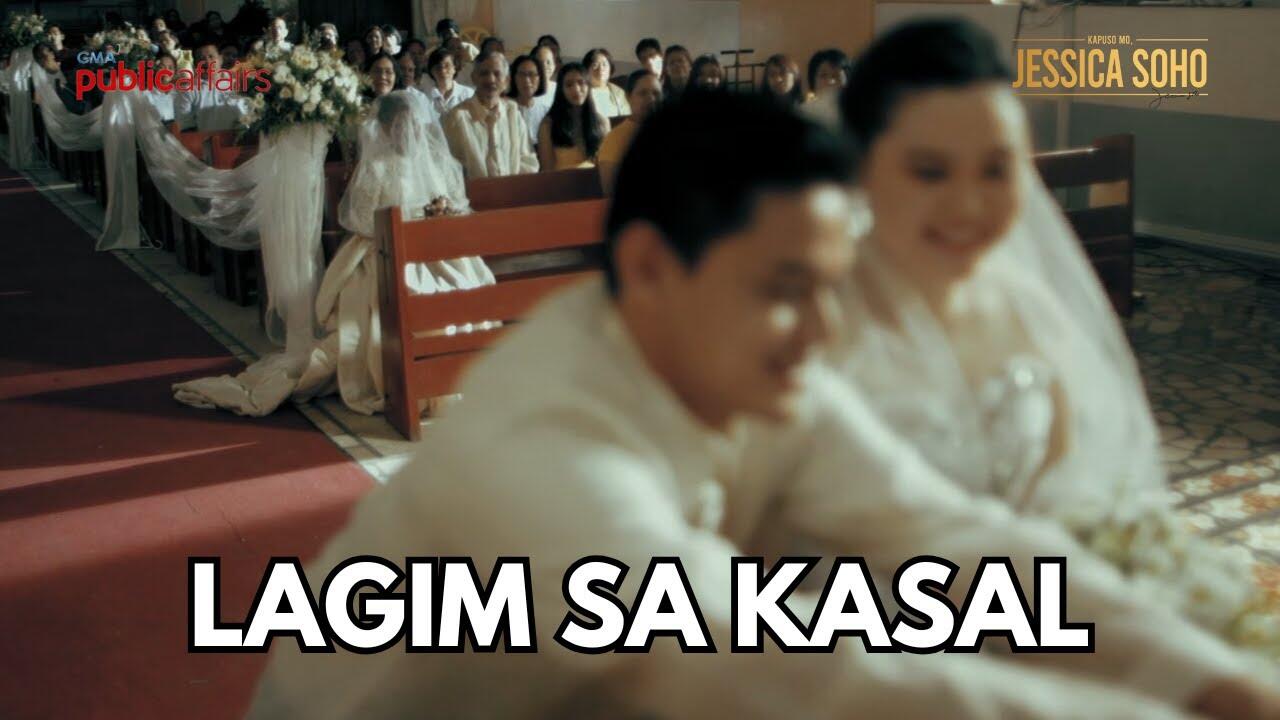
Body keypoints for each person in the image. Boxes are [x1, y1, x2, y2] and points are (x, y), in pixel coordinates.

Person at [245, 90, 1274, 720]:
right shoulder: (542, 440)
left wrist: (1201, 677)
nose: (824, 332)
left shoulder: (758, 368)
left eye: (832, 286)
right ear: (651, 267)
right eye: (786, 289)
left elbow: (952, 537)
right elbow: (766, 666)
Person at [174, 91, 490, 417]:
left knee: (469, 286)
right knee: (406, 295)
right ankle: (415, 378)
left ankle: (460, 369)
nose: (408, 132)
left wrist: (444, 213)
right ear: (385, 128)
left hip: (432, 250)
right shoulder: (377, 169)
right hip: (382, 251)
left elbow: (458, 208)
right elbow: (362, 220)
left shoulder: (439, 164)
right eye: (399, 125)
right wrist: (411, 221)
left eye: (413, 125)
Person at [441, 51, 538, 178]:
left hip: (513, 189)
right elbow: (449, 168)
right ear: (474, 78)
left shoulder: (513, 113)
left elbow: (528, 162)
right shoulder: (456, 117)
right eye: (484, 73)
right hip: (474, 190)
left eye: (497, 74)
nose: (491, 79)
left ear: (506, 81)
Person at [598, 69, 661, 192]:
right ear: (628, 97)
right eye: (643, 93)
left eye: (656, 93)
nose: (651, 99)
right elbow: (610, 191)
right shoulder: (614, 139)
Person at [537, 62, 608, 172]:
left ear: (588, 86)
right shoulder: (548, 125)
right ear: (561, 90)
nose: (576, 89)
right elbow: (547, 171)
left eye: (581, 83)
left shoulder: (602, 122)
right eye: (569, 85)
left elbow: (606, 166)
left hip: (593, 181)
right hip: (561, 181)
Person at [174, 42, 247, 130]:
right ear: (196, 64)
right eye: (201, 58)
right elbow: (185, 127)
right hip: (206, 138)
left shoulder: (239, 85)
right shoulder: (187, 91)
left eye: (211, 56)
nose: (207, 62)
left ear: (220, 59)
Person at [507, 53, 551, 150]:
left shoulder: (545, 111)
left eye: (532, 74)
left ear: (540, 78)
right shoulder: (504, 108)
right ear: (513, 77)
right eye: (521, 74)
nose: (527, 80)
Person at [422, 47, 474, 122]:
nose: (443, 70)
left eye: (447, 65)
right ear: (431, 71)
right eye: (438, 67)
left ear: (454, 68)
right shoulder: (425, 97)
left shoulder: (468, 94)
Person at [802, 48, 849, 128]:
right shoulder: (804, 113)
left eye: (836, 76)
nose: (830, 81)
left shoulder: (857, 112)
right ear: (812, 81)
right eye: (823, 76)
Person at [583, 47, 629, 118]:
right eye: (595, 65)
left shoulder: (618, 92)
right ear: (586, 70)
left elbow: (627, 118)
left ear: (610, 69)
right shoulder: (582, 92)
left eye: (604, 65)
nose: (601, 69)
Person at [143, 52, 179, 122]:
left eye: (170, 68)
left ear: (175, 72)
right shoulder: (146, 94)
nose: (166, 70)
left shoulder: (179, 93)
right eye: (161, 67)